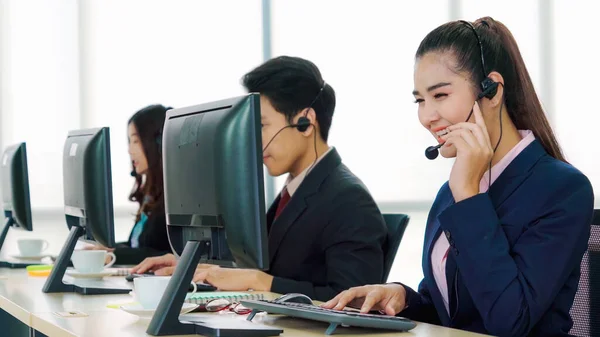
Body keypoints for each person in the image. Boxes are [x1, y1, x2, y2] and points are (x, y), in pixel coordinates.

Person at [322, 17, 594, 337]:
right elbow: (454, 309)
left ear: (491, 91)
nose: (427, 117)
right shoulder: (451, 190)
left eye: (440, 96)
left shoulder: (561, 189)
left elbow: (511, 321)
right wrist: (404, 297)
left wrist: (468, 194)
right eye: (420, 100)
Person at [131, 56, 388, 302]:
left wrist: (262, 281)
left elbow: (355, 300)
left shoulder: (348, 199)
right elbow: (261, 264)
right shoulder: (295, 191)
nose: (253, 140)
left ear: (305, 122)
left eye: (261, 126)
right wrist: (193, 265)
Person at [85, 104, 172, 265]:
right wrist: (107, 249)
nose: (130, 150)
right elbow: (137, 246)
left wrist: (115, 255)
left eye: (136, 141)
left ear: (159, 143)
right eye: (129, 142)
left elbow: (166, 255)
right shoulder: (151, 194)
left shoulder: (174, 196)